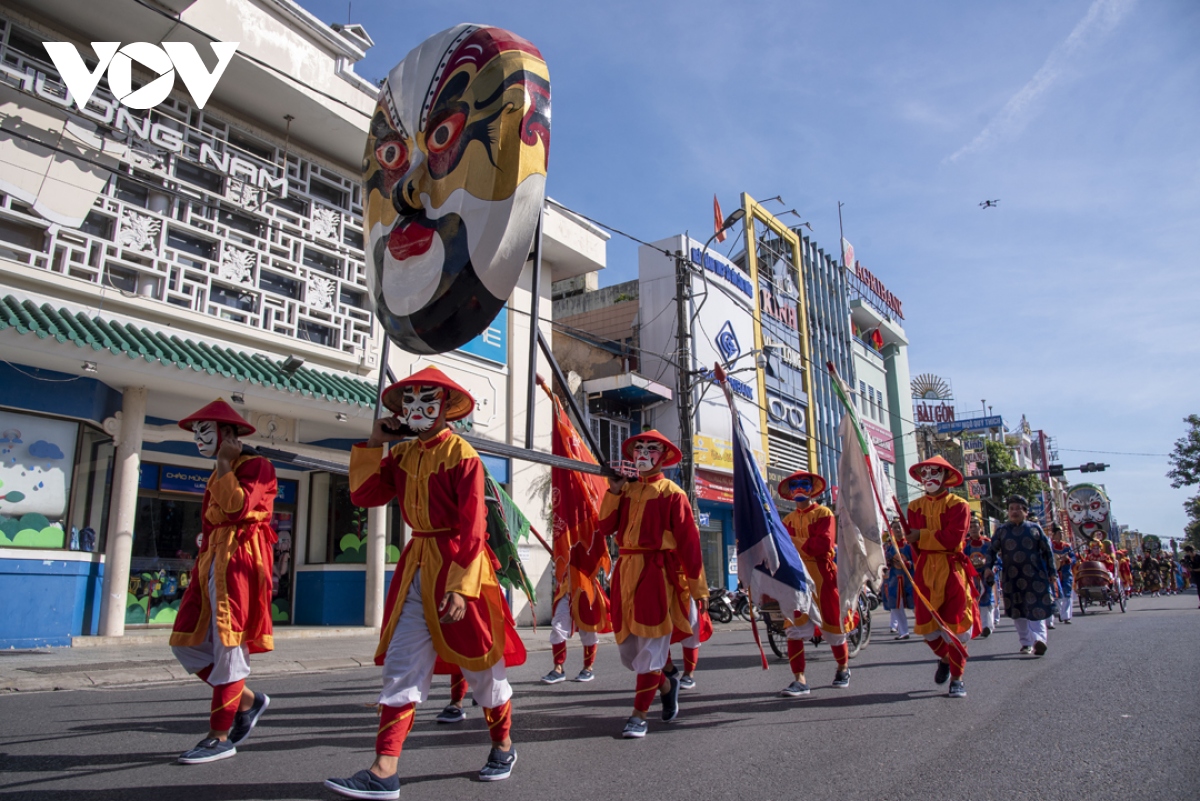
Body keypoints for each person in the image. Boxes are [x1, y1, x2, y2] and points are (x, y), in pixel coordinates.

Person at [325, 366, 526, 799]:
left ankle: (503, 745)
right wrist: (376, 442)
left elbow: (473, 527)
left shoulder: (463, 456)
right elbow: (363, 496)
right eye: (408, 401)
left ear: (444, 408)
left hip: (460, 564)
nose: (416, 408)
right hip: (416, 567)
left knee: (483, 669)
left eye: (426, 400)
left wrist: (460, 585)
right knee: (402, 666)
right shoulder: (399, 456)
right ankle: (383, 771)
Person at [169, 399, 276, 765]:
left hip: (242, 564)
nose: (199, 439)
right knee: (187, 644)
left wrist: (226, 464)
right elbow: (209, 524)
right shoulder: (220, 472)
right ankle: (248, 701)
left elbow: (237, 509)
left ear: (229, 434)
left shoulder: (258, 466)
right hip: (212, 564)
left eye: (206, 431)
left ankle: (219, 737)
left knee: (229, 649)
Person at [600, 430, 707, 739]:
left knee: (649, 646)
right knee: (629, 649)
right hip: (625, 571)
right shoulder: (627, 490)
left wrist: (698, 589)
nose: (643, 453)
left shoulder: (673, 492)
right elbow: (605, 527)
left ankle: (639, 714)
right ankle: (665, 682)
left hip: (657, 573)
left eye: (651, 448)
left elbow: (689, 543)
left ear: (662, 456)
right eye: (639, 448)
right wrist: (614, 492)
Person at [906, 456, 975, 699]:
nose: (928, 478)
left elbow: (953, 538)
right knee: (928, 629)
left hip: (951, 569)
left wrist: (920, 536)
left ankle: (957, 679)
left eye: (933, 473)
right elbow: (913, 543)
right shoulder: (913, 507)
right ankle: (945, 659)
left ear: (946, 476)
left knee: (956, 627)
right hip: (924, 570)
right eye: (924, 474)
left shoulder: (960, 505)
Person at [776, 470, 851, 696]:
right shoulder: (786, 520)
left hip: (823, 577)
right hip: (797, 578)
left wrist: (791, 543)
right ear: (789, 492)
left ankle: (843, 667)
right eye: (795, 485)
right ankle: (799, 679)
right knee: (794, 629)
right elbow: (782, 549)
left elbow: (823, 545)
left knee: (833, 628)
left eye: (804, 484)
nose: (799, 488)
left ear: (813, 488)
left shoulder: (824, 514)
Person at [988, 496, 1056, 656]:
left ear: (1025, 512)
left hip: (1035, 577)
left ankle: (1039, 640)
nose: (1014, 512)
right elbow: (991, 551)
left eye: (1018, 508)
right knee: (1018, 612)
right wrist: (987, 568)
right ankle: (1026, 643)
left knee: (1036, 609)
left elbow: (1047, 552)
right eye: (1011, 508)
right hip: (1012, 578)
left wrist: (1052, 572)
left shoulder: (1035, 529)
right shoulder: (1002, 531)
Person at [964, 515, 995, 637]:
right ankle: (978, 625)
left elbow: (995, 559)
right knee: (974, 601)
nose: (973, 529)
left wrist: (989, 567)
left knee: (987, 600)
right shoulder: (966, 545)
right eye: (970, 527)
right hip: (972, 577)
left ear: (980, 528)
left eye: (975, 527)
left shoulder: (987, 543)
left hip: (985, 576)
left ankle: (987, 626)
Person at [883, 521, 914, 640]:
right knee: (896, 605)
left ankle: (928, 627)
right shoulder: (890, 547)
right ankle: (903, 631)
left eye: (899, 527)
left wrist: (907, 564)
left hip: (909, 579)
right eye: (894, 528)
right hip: (895, 580)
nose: (897, 530)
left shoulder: (909, 546)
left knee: (916, 604)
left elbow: (916, 562)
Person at [1050, 524, 1076, 625]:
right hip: (1054, 573)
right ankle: (1058, 613)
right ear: (1054, 534)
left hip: (1065, 572)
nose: (1061, 535)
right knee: (1055, 594)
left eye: (1061, 533)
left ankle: (1066, 616)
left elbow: (1074, 558)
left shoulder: (1067, 546)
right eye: (1059, 533)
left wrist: (1068, 559)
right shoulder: (1050, 545)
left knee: (1067, 594)